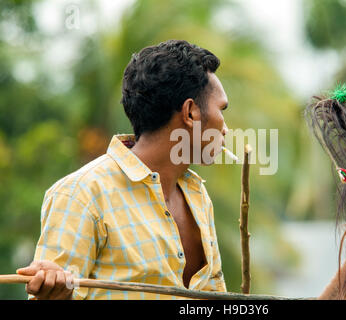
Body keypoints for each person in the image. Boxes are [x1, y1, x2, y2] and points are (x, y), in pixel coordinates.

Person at [16, 40, 229, 299]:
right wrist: (54, 293)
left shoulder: (197, 196)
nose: (225, 128)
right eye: (222, 110)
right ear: (191, 112)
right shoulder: (80, 195)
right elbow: (52, 293)